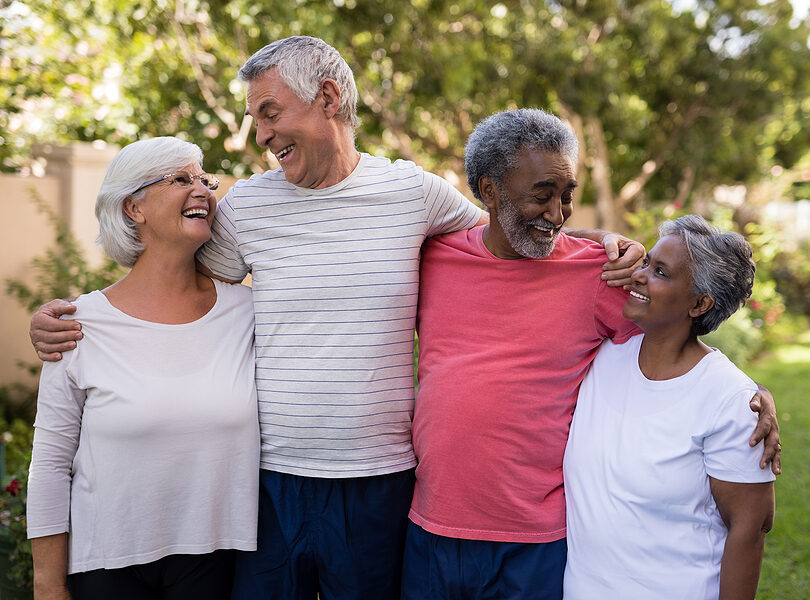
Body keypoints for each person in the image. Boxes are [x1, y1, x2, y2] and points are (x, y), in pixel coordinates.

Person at [29, 38, 643, 599]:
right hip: (268, 482)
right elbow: (168, 283)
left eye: (270, 112)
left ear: (326, 98)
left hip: (379, 483)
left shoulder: (415, 194)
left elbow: (511, 229)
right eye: (256, 118)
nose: (261, 134)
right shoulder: (245, 207)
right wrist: (81, 317)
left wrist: (603, 244)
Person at [401, 109, 779, 600]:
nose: (558, 214)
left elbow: (678, 336)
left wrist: (751, 396)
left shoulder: (598, 275)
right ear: (489, 191)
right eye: (542, 195)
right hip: (431, 524)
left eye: (566, 195)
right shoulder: (432, 257)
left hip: (536, 542)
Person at [25, 137, 260, 600]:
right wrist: (48, 586)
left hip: (218, 564)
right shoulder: (78, 325)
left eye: (204, 179)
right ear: (134, 208)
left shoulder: (247, 313)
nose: (202, 190)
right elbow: (50, 464)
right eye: (181, 179)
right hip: (106, 567)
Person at [563, 215, 776, 599]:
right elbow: (538, 240)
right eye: (646, 262)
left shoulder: (731, 399)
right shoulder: (601, 356)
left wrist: (751, 392)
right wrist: (607, 237)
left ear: (700, 303)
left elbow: (750, 528)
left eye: (659, 271)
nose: (639, 275)